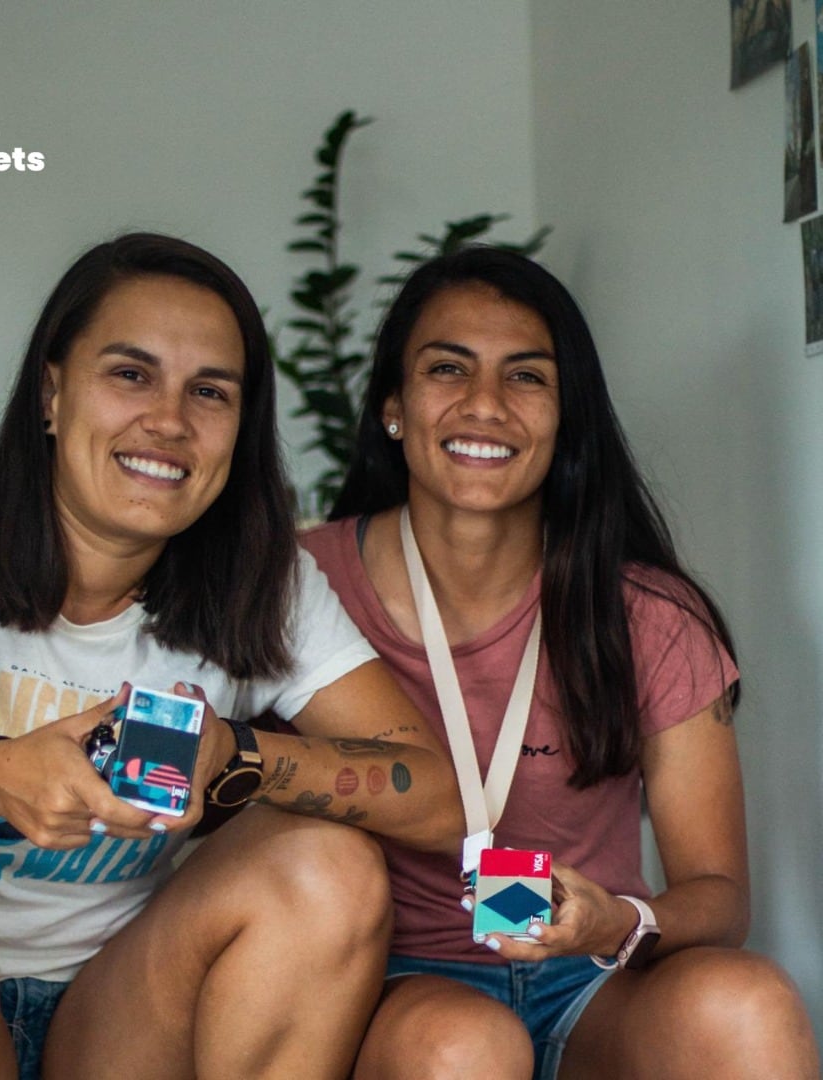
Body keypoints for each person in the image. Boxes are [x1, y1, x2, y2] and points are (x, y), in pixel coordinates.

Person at [0, 232, 464, 1080]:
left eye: (210, 392)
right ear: (52, 393)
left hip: (116, 1021)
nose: (170, 421)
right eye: (131, 374)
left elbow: (441, 801)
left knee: (327, 866)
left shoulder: (263, 579)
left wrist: (234, 755)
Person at [301, 246, 820, 1079]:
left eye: (526, 376)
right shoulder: (301, 585)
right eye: (448, 368)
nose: (484, 404)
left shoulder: (648, 614)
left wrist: (617, 921)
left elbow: (720, 896)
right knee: (464, 1047)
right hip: (396, 984)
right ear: (393, 405)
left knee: (746, 1001)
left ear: (566, 415)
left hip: (591, 978)